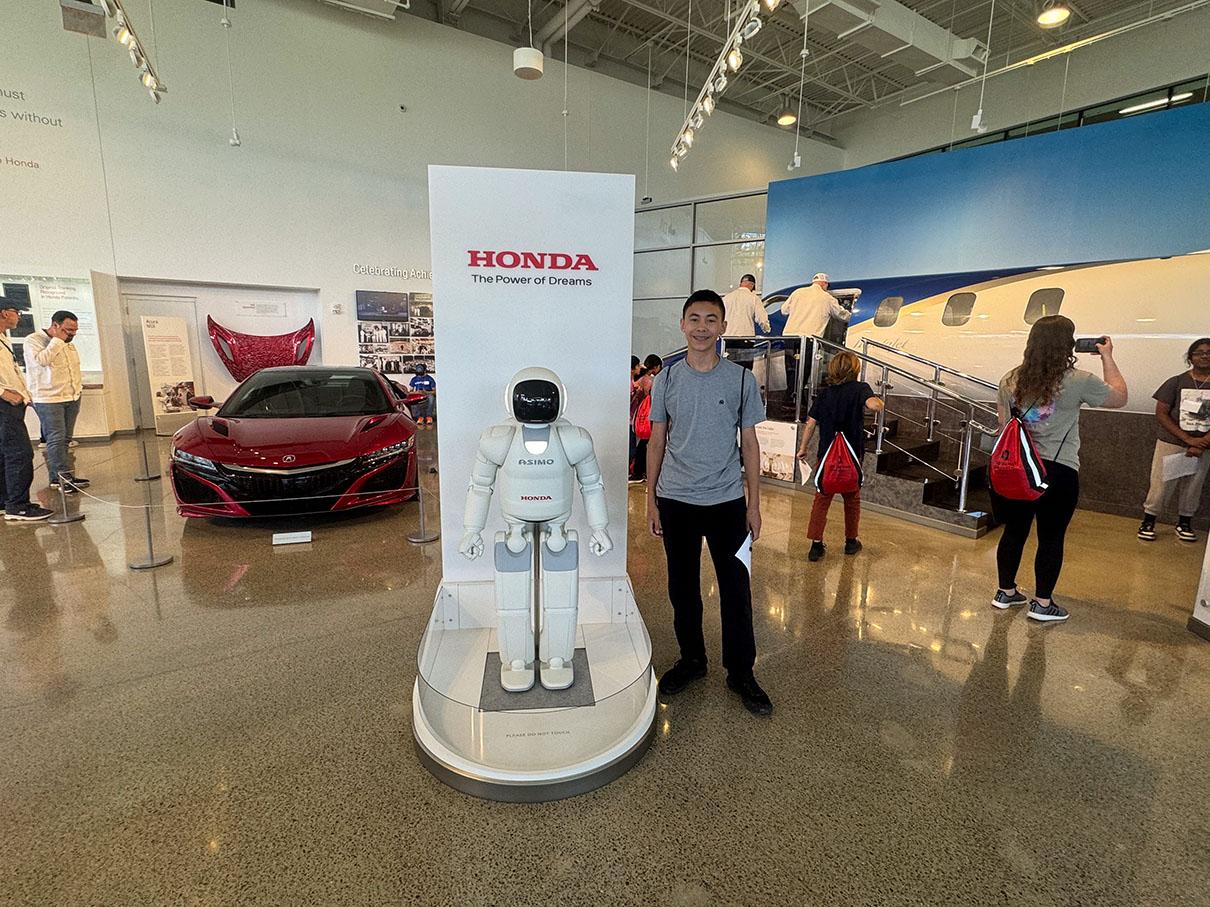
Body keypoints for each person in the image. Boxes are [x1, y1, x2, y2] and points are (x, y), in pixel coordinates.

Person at [646, 289, 771, 715]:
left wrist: (753, 504)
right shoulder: (667, 378)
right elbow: (656, 441)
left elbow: (750, 445)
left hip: (728, 503)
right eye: (694, 319)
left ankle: (741, 671)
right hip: (676, 500)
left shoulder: (740, 380)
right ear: (683, 325)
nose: (702, 327)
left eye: (711, 319)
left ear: (722, 327)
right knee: (683, 588)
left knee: (737, 589)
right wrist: (651, 500)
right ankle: (692, 660)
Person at [991, 316, 1127, 623]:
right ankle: (1042, 604)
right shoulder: (1079, 379)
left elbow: (1003, 426)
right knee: (1051, 537)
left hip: (1018, 469)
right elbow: (1119, 397)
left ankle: (1005, 592)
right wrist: (1107, 356)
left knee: (1014, 531)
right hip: (1058, 471)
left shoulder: (1010, 379)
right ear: (1069, 344)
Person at [795, 351, 883, 561]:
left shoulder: (826, 393)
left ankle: (816, 545)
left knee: (821, 498)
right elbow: (873, 405)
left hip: (826, 455)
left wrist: (803, 447)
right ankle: (851, 542)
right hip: (852, 455)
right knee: (852, 498)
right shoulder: (860, 388)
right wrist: (879, 403)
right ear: (855, 369)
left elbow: (811, 423)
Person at [1138, 338, 1210, 542]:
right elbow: (1161, 413)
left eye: (1209, 352)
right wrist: (1187, 438)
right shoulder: (1176, 381)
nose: (1204, 356)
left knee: (1194, 484)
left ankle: (1185, 522)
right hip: (1172, 442)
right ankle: (1149, 520)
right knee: (1161, 482)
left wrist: (1202, 442)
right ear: (1190, 357)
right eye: (1199, 352)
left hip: (1205, 445)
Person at [23, 310, 88, 492]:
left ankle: (65, 475)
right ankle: (59, 479)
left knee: (66, 438)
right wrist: (57, 341)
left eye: (75, 330)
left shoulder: (68, 343)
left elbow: (72, 368)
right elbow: (42, 361)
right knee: (56, 438)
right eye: (68, 330)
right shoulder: (33, 340)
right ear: (55, 325)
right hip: (49, 398)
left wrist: (78, 389)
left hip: (72, 396)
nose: (72, 334)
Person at [0, 298, 53, 522]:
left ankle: (6, 501)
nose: (18, 316)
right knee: (20, 454)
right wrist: (4, 393)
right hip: (4, 404)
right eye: (16, 311)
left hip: (12, 403)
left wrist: (24, 395)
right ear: (3, 313)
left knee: (5, 454)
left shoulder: (3, 339)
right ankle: (18, 506)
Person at [780, 272, 851, 339]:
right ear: (824, 283)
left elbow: (784, 310)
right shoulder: (827, 298)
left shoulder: (797, 292)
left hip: (789, 336)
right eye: (827, 285)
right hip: (809, 338)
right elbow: (841, 314)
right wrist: (852, 316)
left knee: (790, 352)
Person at [629, 354, 663, 482]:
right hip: (644, 418)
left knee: (641, 446)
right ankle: (639, 472)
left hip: (637, 418)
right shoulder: (649, 380)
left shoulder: (639, 380)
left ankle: (638, 471)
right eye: (637, 365)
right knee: (641, 446)